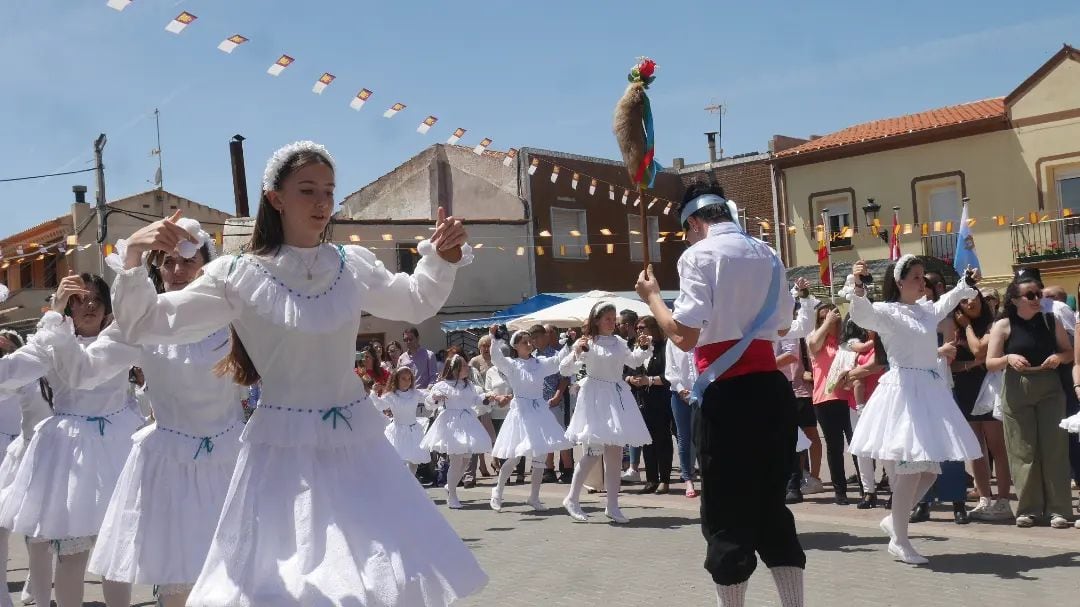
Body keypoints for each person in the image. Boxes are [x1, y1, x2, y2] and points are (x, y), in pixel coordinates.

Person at [107, 141, 486, 604]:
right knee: (286, 584)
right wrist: (131, 260)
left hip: (358, 445)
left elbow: (413, 300)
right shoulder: (237, 273)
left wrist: (441, 259)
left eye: (329, 191)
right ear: (275, 197)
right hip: (282, 450)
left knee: (382, 575)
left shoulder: (350, 264)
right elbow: (149, 322)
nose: (323, 202)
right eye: (308, 190)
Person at [636, 181, 805, 607]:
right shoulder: (768, 253)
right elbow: (783, 326)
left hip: (727, 397)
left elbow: (684, 336)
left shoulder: (698, 255)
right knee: (771, 507)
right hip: (771, 391)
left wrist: (653, 298)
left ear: (694, 221)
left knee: (725, 514)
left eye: (686, 229)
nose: (688, 238)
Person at [81, 221, 243, 607]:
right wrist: (54, 329)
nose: (176, 270)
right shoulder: (142, 321)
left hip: (233, 462)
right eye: (166, 262)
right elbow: (84, 371)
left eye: (186, 260)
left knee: (238, 579)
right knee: (180, 584)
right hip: (172, 466)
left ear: (206, 265)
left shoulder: (234, 318)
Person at [0, 273, 143, 607]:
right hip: (71, 453)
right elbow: (10, 372)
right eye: (78, 299)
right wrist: (54, 315)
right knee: (71, 554)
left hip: (118, 446)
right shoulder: (52, 343)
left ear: (108, 307)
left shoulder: (122, 340)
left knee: (114, 555)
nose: (88, 306)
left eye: (95, 299)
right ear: (67, 308)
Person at [847, 255, 984, 565]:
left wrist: (966, 285)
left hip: (929, 390)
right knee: (910, 470)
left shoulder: (925, 311)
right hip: (904, 392)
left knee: (930, 471)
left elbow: (948, 301)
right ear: (899, 283)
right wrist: (857, 285)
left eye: (924, 277)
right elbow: (863, 314)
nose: (924, 282)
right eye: (917, 277)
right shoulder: (886, 312)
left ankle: (895, 521)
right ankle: (901, 539)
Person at [986, 274, 1074, 528]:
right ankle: (1029, 510)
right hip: (1017, 386)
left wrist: (1059, 357)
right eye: (1031, 295)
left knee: (1054, 448)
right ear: (1015, 300)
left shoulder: (1051, 320)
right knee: (1022, 450)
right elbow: (991, 363)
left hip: (1049, 385)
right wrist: (1008, 358)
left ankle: (1060, 511)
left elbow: (1069, 352)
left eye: (1039, 294)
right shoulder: (1003, 325)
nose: (1038, 299)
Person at [561, 303, 654, 524]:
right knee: (593, 452)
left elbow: (633, 361)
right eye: (608, 319)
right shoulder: (587, 343)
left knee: (614, 454)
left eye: (615, 319)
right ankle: (572, 498)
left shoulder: (619, 342)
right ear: (596, 320)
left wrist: (643, 348)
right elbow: (565, 369)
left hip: (616, 396)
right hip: (595, 397)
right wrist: (576, 353)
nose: (613, 322)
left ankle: (612, 506)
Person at [487, 326, 573, 511]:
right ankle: (498, 491)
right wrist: (494, 338)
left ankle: (534, 497)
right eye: (524, 342)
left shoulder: (539, 363)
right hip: (521, 413)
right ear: (516, 346)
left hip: (539, 410)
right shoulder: (512, 364)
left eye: (529, 341)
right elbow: (496, 358)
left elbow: (558, 360)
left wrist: (569, 344)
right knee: (515, 457)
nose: (529, 343)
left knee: (540, 455)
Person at [951, 291, 1014, 522]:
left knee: (997, 447)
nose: (970, 302)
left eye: (974, 298)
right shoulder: (953, 327)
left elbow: (980, 350)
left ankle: (1004, 500)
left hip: (988, 390)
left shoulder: (993, 324)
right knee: (975, 449)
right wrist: (970, 364)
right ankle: (984, 499)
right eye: (964, 300)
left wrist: (967, 327)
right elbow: (952, 365)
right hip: (965, 391)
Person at [0, 330, 52, 607]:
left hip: (43, 456)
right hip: (14, 455)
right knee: (2, 526)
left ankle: (36, 585)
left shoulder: (60, 370)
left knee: (40, 533)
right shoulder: (15, 374)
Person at [421, 355, 494, 509]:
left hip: (468, 423)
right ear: (455, 369)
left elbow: (476, 400)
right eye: (464, 366)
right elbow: (430, 404)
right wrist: (436, 398)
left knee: (466, 459)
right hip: (451, 424)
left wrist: (488, 398)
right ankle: (452, 495)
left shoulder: (469, 386)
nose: (467, 367)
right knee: (456, 459)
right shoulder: (442, 385)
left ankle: (450, 484)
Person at [806, 302, 854, 505]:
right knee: (834, 447)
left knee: (856, 443)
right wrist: (826, 324)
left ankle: (866, 487)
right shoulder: (816, 338)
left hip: (848, 397)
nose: (828, 319)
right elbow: (813, 344)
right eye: (822, 317)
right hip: (825, 399)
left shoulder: (845, 340)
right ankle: (840, 491)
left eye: (832, 315)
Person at [630, 316, 673, 494]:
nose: (640, 331)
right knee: (646, 440)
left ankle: (664, 479)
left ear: (653, 329)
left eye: (643, 327)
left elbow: (670, 375)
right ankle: (651, 479)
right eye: (638, 328)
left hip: (660, 399)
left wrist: (650, 380)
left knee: (662, 439)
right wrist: (630, 379)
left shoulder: (664, 348)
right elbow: (627, 370)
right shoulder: (638, 350)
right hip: (642, 400)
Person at [533, 324, 572, 482]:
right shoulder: (533, 356)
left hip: (554, 400)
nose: (534, 341)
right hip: (538, 402)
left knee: (560, 435)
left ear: (545, 337)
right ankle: (549, 469)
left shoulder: (556, 355)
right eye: (532, 338)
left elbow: (565, 377)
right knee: (544, 436)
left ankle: (568, 468)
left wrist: (557, 396)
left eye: (537, 337)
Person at [374, 366, 431, 472]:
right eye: (403, 378)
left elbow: (428, 398)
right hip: (397, 431)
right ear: (396, 379)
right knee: (399, 460)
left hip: (414, 430)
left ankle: (411, 483)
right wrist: (373, 393)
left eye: (409, 379)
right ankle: (401, 484)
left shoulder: (415, 393)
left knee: (414, 461)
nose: (407, 382)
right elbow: (379, 405)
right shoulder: (391, 396)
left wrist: (435, 396)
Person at [665, 337, 698, 498]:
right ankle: (688, 478)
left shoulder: (703, 334)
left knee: (702, 436)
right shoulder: (673, 340)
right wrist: (679, 389)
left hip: (702, 391)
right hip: (679, 394)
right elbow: (670, 369)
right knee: (684, 437)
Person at [617, 310, 644, 483]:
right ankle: (631, 467)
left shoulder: (637, 344)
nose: (618, 326)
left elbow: (638, 364)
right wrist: (626, 378)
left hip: (641, 391)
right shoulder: (624, 343)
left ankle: (634, 468)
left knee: (636, 429)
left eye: (620, 323)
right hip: (626, 389)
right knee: (628, 430)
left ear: (627, 325)